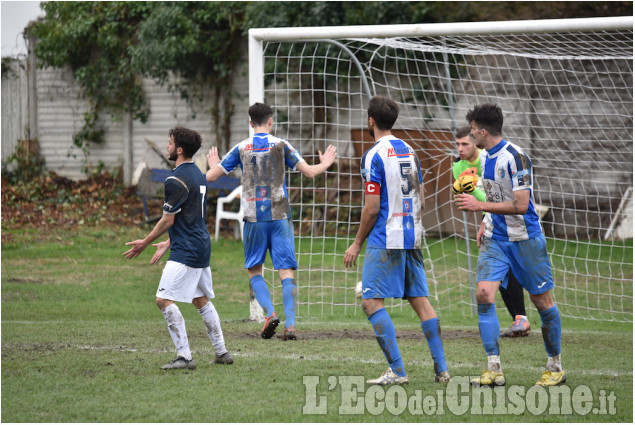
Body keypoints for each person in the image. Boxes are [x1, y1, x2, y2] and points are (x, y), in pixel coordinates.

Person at [206, 102, 337, 341]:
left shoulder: (241, 147)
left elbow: (211, 176)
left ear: (249, 122)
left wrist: (213, 165)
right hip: (280, 216)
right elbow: (309, 172)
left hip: (254, 219)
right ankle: (291, 326)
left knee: (255, 269)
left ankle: (270, 313)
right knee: (286, 271)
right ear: (271, 121)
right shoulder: (280, 145)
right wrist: (326, 162)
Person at [455, 104, 564, 387]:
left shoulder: (516, 157)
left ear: (481, 130)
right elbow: (495, 195)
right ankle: (493, 369)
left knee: (542, 302)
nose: (470, 134)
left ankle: (555, 366)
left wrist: (479, 205)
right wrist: (484, 221)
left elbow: (521, 204)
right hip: (496, 239)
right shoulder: (485, 158)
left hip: (525, 239)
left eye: (472, 129)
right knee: (483, 294)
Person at [344, 95, 450, 385]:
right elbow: (422, 196)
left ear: (370, 121)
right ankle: (442, 369)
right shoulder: (409, 150)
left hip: (386, 236)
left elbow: (372, 207)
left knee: (370, 302)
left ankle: (397, 371)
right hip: (412, 234)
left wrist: (356, 244)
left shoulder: (372, 154)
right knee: (421, 302)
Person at [123, 127, 233, 369]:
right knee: (200, 299)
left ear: (179, 149)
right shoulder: (198, 174)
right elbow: (191, 216)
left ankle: (184, 357)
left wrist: (145, 242)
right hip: (200, 245)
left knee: (163, 299)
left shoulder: (175, 180)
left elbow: (168, 220)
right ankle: (222, 352)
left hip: (188, 250)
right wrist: (168, 242)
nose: (167, 146)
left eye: (170, 143)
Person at [452, 125, 530, 338]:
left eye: (465, 144)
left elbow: (496, 197)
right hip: (489, 216)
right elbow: (475, 198)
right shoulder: (458, 167)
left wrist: (473, 191)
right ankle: (518, 318)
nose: (460, 149)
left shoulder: (488, 158)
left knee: (515, 270)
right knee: (499, 271)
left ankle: (524, 317)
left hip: (513, 218)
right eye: (457, 144)